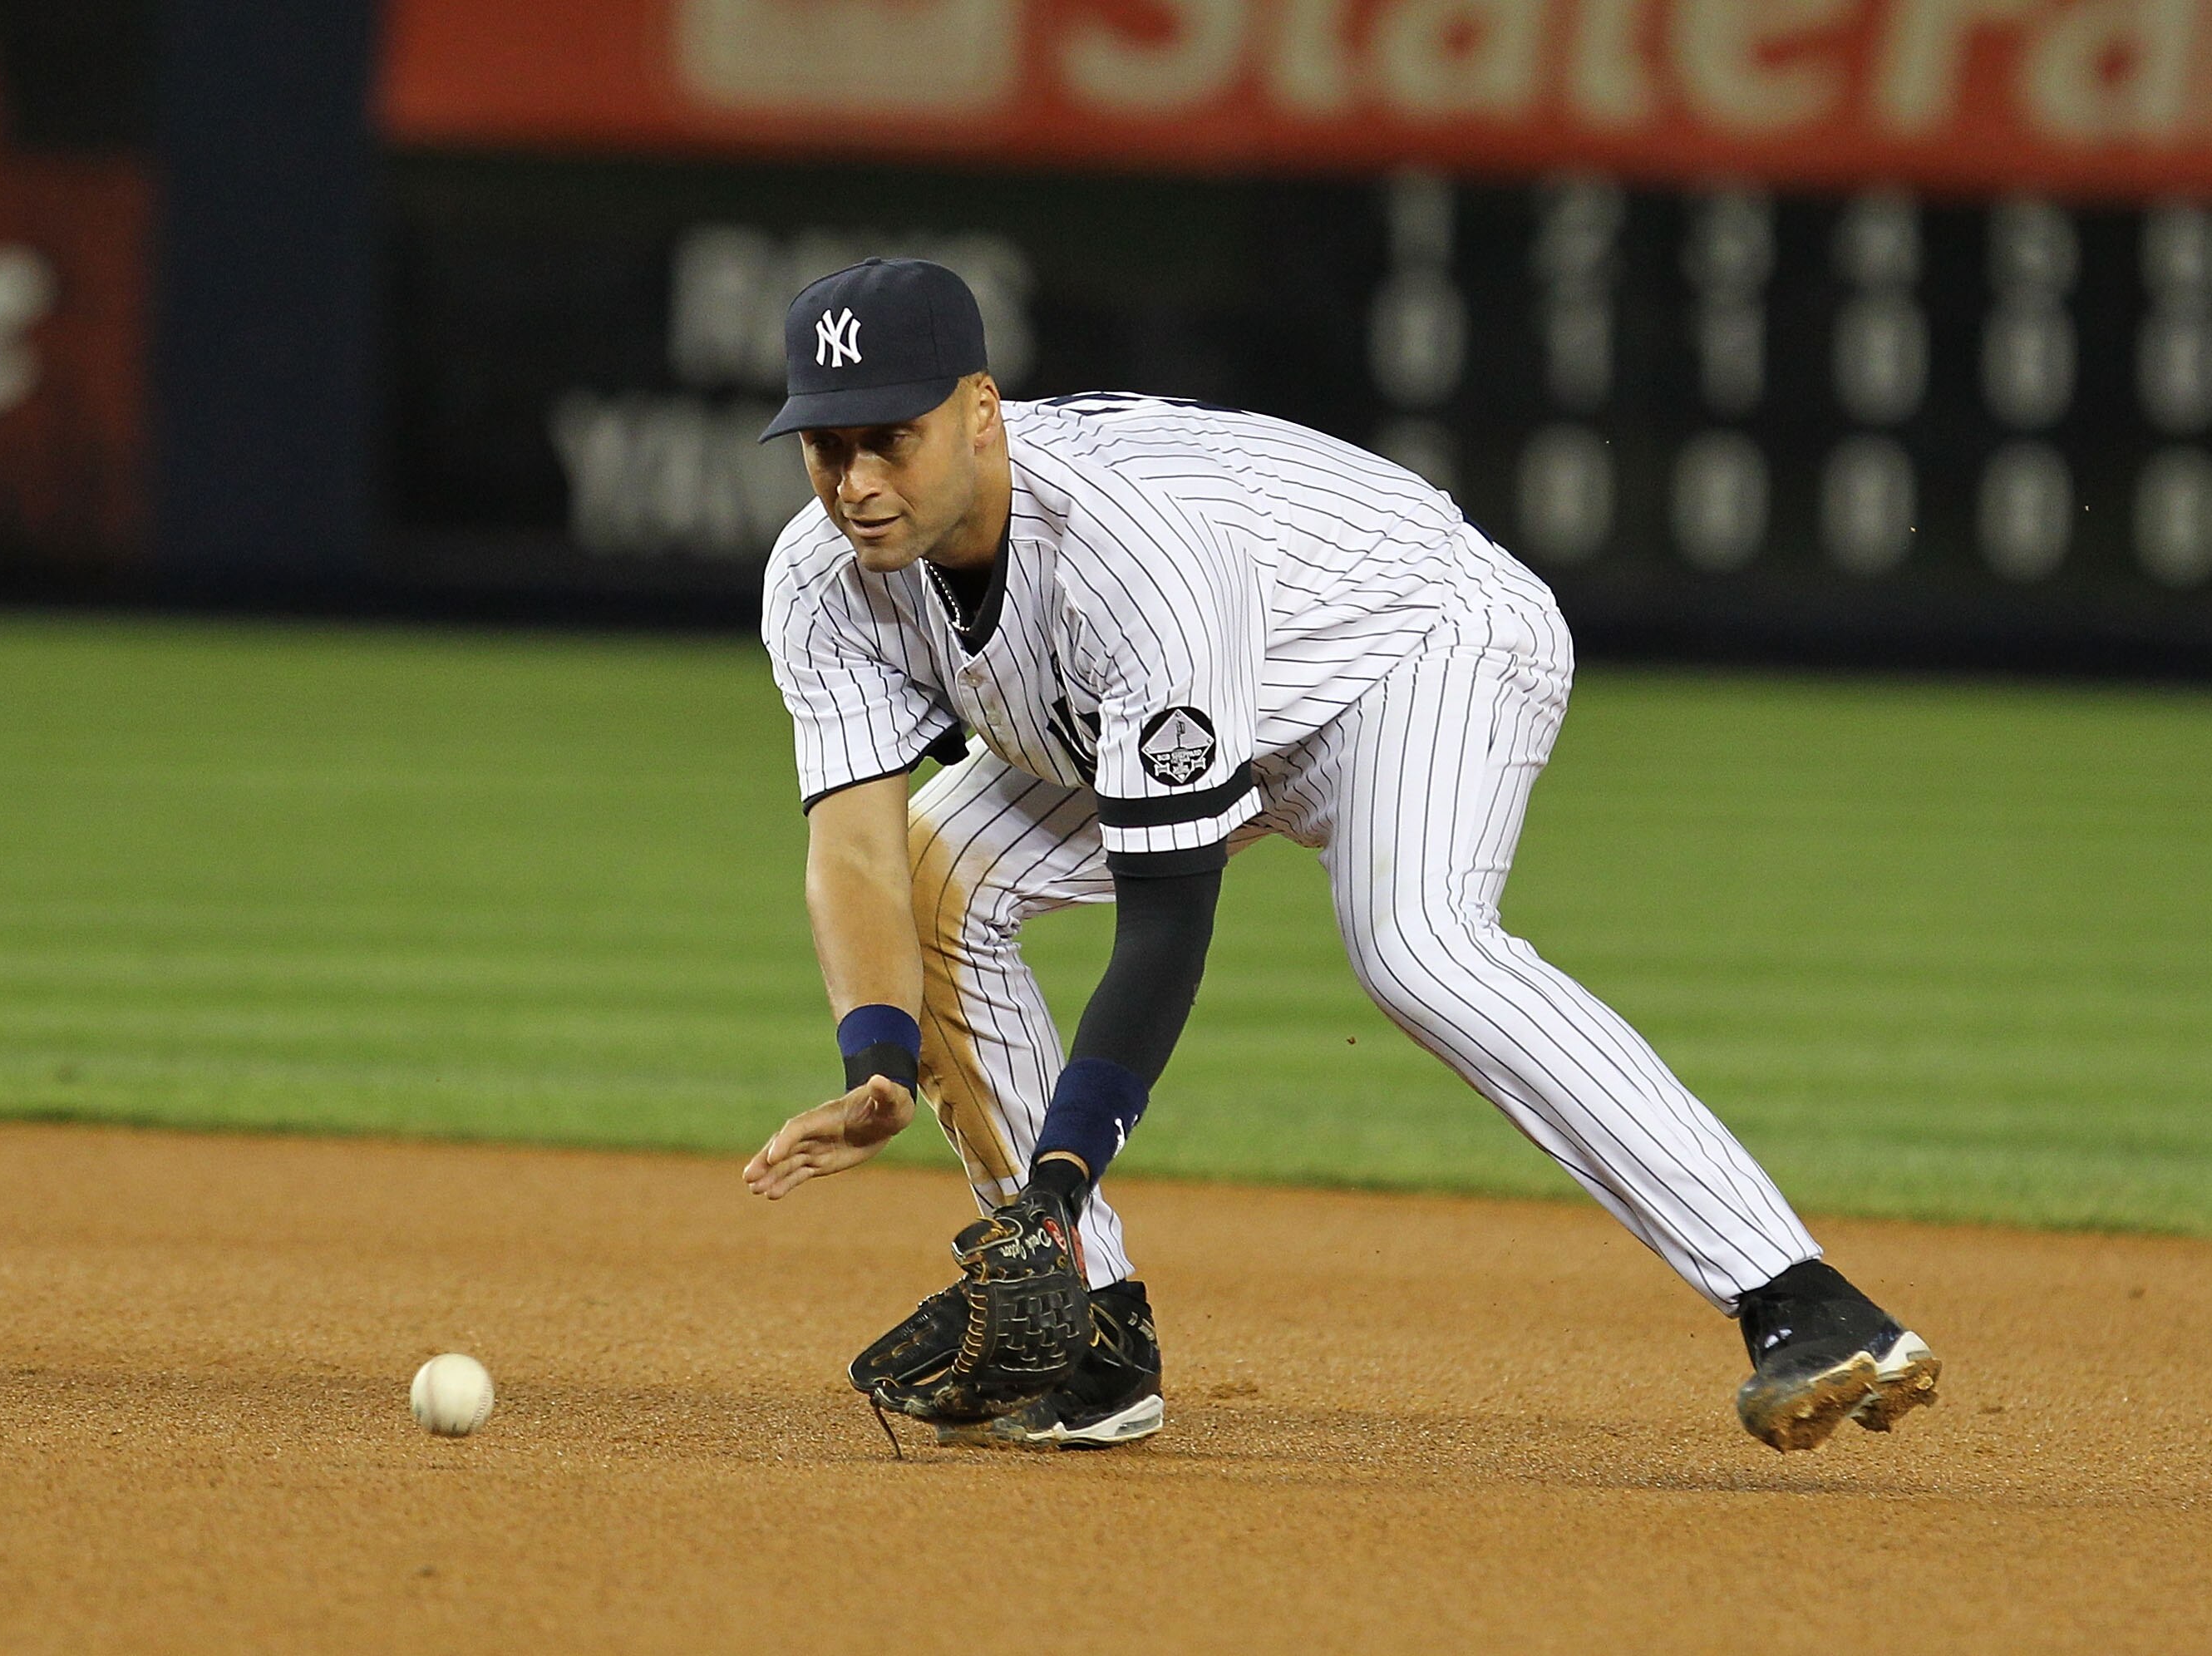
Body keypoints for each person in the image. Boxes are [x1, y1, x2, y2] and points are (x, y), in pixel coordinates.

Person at [740, 257, 1940, 1453]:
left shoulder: (1134, 555)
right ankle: (1096, 1339)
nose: (857, 483)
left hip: (1406, 642)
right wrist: (881, 1057)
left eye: (890, 438)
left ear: (981, 410)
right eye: (825, 446)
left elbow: (1166, 927)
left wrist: (1056, 1179)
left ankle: (1801, 1298)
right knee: (941, 865)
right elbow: (858, 851)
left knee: (1417, 948)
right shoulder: (818, 576)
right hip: (1170, 698)